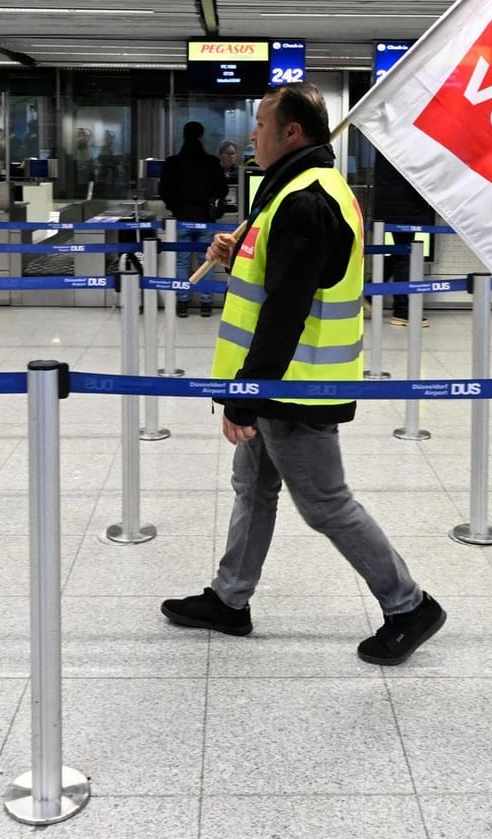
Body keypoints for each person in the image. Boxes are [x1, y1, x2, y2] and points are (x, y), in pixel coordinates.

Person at [161, 82, 444, 666]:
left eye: (262, 124)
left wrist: (246, 395)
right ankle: (229, 600)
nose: (251, 135)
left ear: (292, 133)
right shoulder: (289, 189)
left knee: (325, 503)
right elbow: (276, 273)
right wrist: (236, 250)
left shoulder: (307, 198)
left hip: (295, 386)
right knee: (254, 488)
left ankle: (409, 605)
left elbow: (286, 308)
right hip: (278, 381)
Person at [157, 121, 228, 317]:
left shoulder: (173, 163)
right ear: (201, 137)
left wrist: (175, 207)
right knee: (208, 260)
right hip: (205, 219)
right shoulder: (211, 162)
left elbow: (163, 190)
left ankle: (182, 303)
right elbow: (223, 189)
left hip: (182, 219)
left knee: (181, 262)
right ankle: (206, 304)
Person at [370, 150, 434, 326]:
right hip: (404, 205)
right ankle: (402, 310)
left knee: (401, 252)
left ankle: (371, 291)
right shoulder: (404, 145)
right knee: (404, 255)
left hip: (393, 204)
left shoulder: (387, 142)